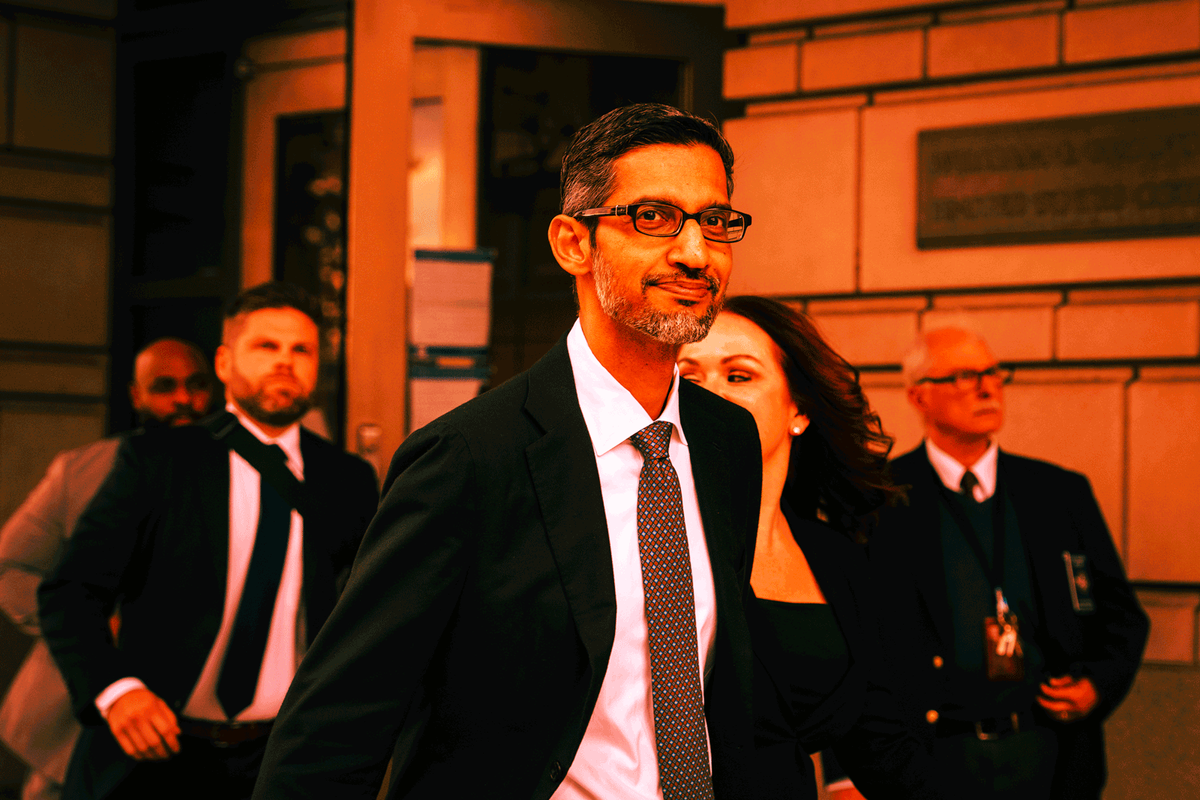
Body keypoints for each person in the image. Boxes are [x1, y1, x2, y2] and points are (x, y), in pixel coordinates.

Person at [253, 103, 763, 800]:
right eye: (654, 218)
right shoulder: (468, 459)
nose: (696, 252)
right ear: (571, 244)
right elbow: (336, 727)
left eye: (715, 221)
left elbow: (729, 698)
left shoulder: (727, 442)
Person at [37, 283, 380, 800]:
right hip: (158, 757)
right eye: (267, 346)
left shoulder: (347, 480)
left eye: (301, 350)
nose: (285, 362)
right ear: (224, 363)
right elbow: (70, 592)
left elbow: (365, 613)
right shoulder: (156, 461)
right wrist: (117, 692)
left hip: (283, 759)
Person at [677, 296, 946, 800]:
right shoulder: (648, 545)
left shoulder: (835, 558)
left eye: (739, 376)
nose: (707, 395)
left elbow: (884, 747)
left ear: (797, 408)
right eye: (687, 378)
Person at [869, 326, 1149, 800]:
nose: (986, 386)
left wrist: (1096, 684)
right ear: (919, 397)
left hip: (1051, 756)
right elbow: (857, 640)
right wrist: (843, 773)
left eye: (993, 373)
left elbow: (1122, 618)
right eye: (963, 376)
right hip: (930, 760)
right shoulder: (879, 497)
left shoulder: (1059, 492)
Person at [0, 337, 213, 800]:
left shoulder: (248, 471)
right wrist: (93, 624)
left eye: (196, 385)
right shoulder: (79, 471)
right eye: (165, 386)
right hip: (74, 718)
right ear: (136, 397)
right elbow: (10, 566)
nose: (183, 399)